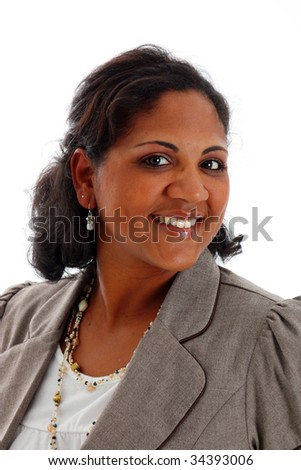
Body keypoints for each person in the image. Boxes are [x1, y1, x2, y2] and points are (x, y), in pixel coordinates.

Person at [1, 45, 301, 451]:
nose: (194, 191)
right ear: (86, 178)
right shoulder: (14, 320)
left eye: (211, 164)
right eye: (158, 160)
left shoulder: (271, 344)